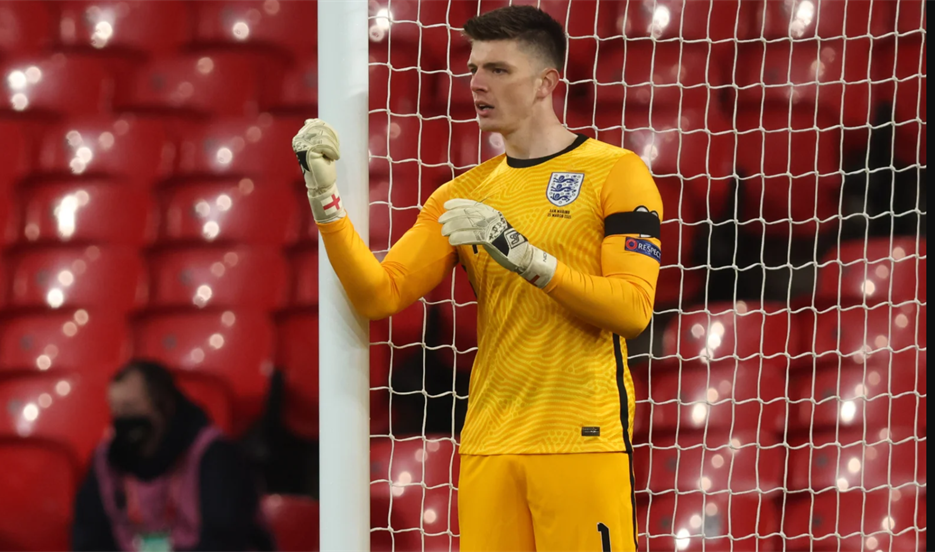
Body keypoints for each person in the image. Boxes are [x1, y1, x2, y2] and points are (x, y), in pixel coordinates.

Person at [291, 5, 663, 551]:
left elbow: (632, 310)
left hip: (581, 438)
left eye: (498, 69)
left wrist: (527, 258)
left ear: (546, 83)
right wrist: (326, 202)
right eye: (473, 69)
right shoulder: (461, 195)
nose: (477, 84)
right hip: (489, 443)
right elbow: (379, 294)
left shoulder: (616, 171)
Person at [72, 360, 275, 552]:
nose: (122, 418)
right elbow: (89, 537)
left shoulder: (214, 455)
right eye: (115, 410)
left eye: (130, 407)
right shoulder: (107, 460)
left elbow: (226, 540)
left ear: (165, 406)